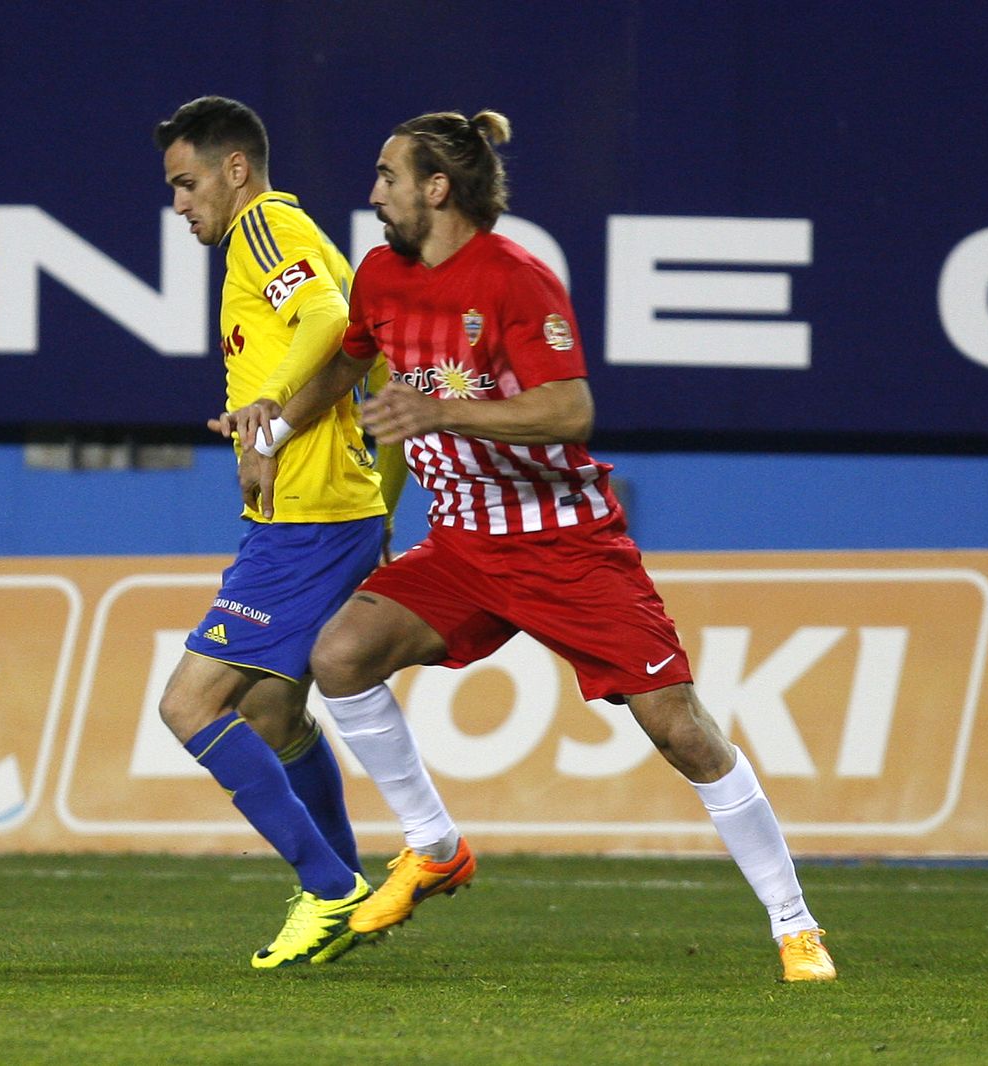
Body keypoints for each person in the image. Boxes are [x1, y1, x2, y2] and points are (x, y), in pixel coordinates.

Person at [224, 109, 836, 982]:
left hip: (565, 548)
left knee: (683, 733)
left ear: (438, 189)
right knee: (342, 654)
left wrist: (440, 409)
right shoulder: (381, 277)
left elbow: (570, 410)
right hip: (463, 547)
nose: (374, 193)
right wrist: (275, 431)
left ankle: (794, 924)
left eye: (389, 177)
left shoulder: (516, 281)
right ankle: (433, 848)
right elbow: (345, 362)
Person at [151, 96, 406, 969]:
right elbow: (356, 354)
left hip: (309, 517)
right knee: (271, 709)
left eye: (186, 184)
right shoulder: (276, 243)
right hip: (317, 510)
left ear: (234, 168)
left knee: (189, 706)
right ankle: (345, 886)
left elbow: (335, 327)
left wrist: (269, 423)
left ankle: (329, 890)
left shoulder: (264, 230)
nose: (180, 204)